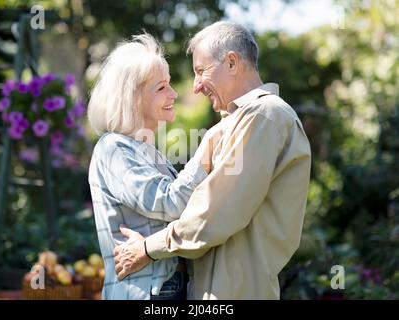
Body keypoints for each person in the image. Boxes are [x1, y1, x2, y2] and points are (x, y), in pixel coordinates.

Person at [114, 21, 312, 299]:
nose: (195, 87)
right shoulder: (241, 122)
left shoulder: (263, 116)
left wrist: (148, 249)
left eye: (200, 71)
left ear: (232, 62)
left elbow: (215, 212)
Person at [87, 33, 219, 300]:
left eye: (169, 85)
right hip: (149, 292)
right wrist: (207, 151)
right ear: (132, 98)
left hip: (166, 286)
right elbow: (169, 203)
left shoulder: (144, 148)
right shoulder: (114, 148)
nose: (173, 94)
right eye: (161, 88)